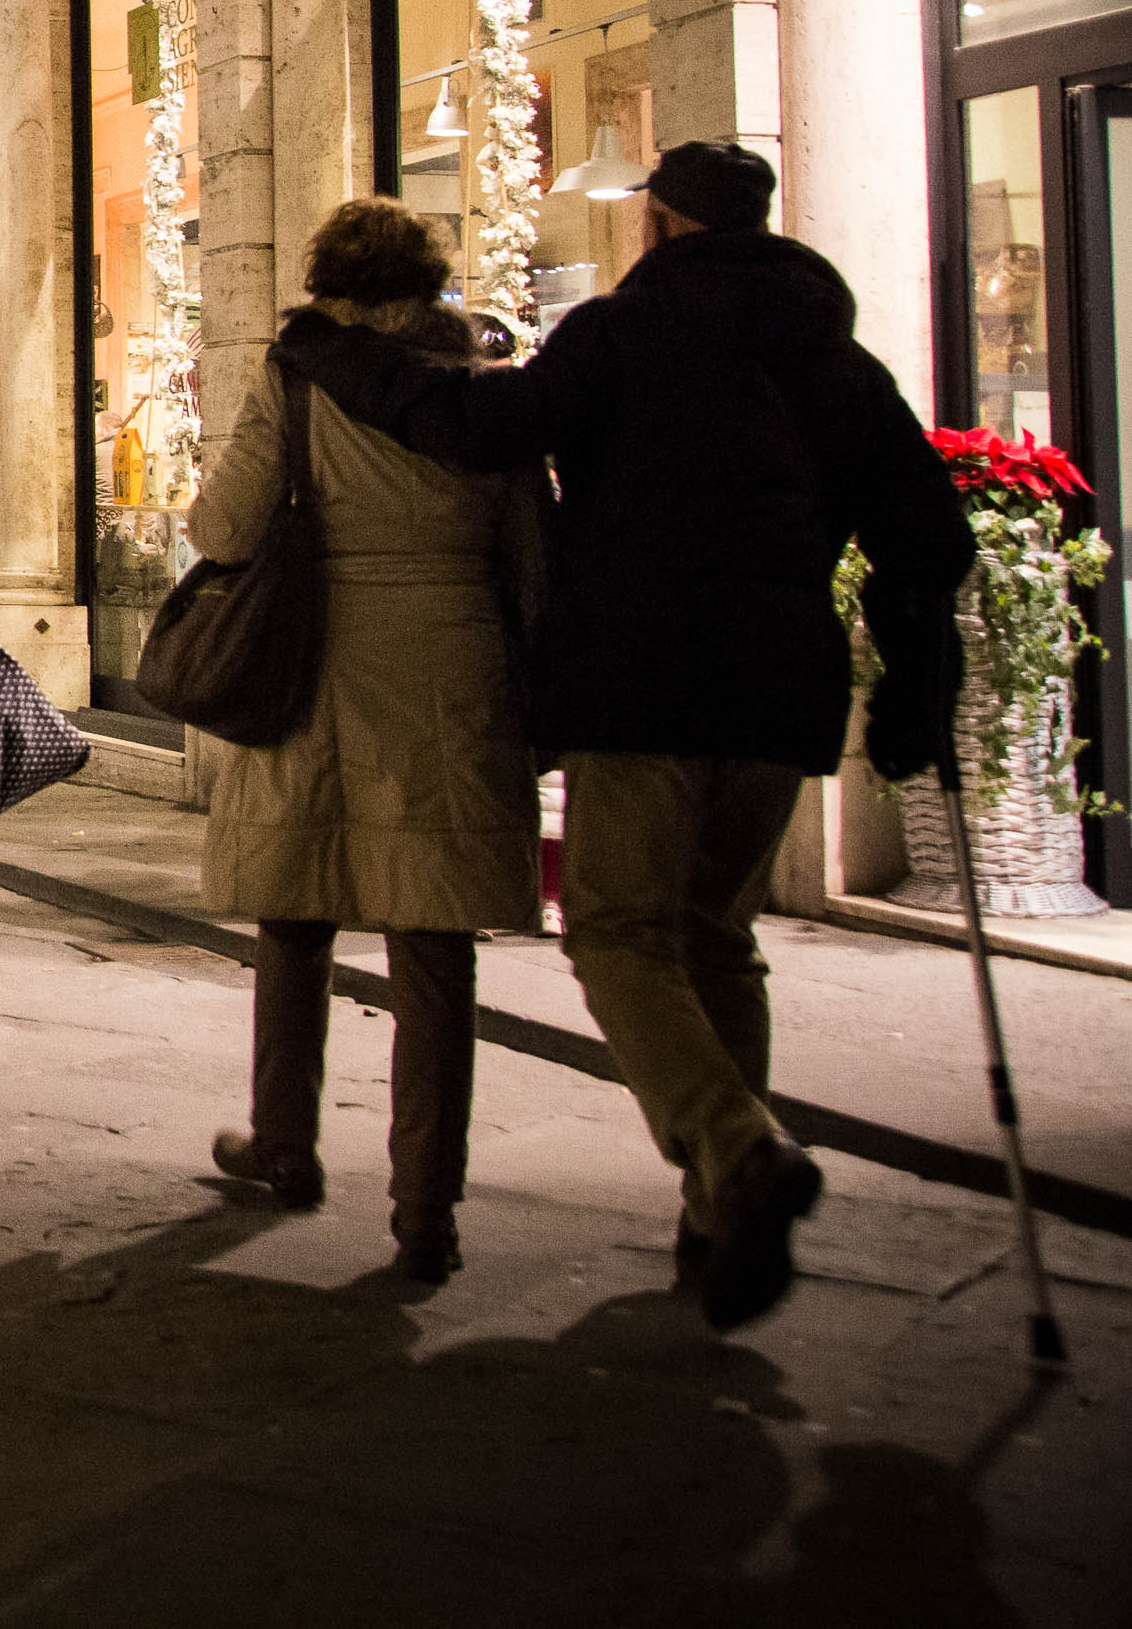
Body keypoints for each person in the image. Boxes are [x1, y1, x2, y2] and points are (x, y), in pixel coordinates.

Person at [275, 142, 970, 1328]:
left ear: (658, 226)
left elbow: (477, 426)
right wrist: (919, 673)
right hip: (777, 692)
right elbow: (926, 531)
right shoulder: (830, 356)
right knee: (715, 936)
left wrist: (341, 353)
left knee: (616, 930)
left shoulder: (618, 337)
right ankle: (714, 1222)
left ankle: (735, 1148)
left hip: (646, 683)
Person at [179, 202, 544, 1280]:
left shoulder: (296, 375)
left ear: (325, 281)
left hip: (318, 662)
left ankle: (283, 1142)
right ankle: (425, 1206)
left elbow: (228, 528)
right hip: (454, 666)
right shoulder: (483, 377)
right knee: (433, 944)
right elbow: (529, 541)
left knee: (296, 912)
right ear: (428, 285)